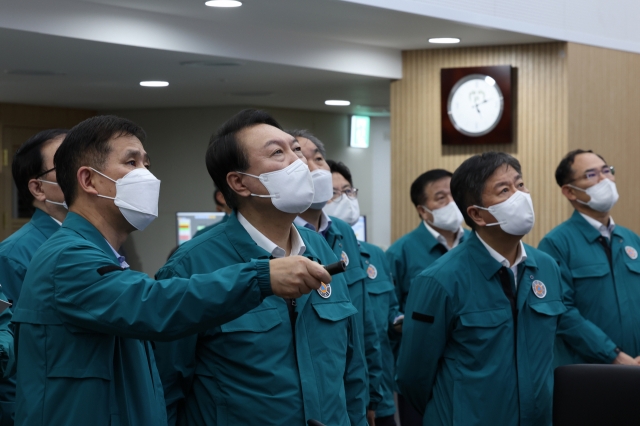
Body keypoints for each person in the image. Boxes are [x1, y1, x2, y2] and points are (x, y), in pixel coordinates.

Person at [11, 115, 330, 426]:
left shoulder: (102, 254)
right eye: (132, 163)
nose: (146, 175)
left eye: (147, 164)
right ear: (89, 180)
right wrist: (262, 277)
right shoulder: (68, 256)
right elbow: (151, 305)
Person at [154, 110, 367, 426]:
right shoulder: (192, 267)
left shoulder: (323, 248)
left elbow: (351, 367)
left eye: (295, 149)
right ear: (239, 182)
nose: (300, 163)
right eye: (278, 153)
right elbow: (166, 390)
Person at [397, 152, 567, 425]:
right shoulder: (438, 280)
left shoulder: (546, 267)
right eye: (504, 190)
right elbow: (413, 376)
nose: (520, 196)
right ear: (477, 214)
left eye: (519, 185)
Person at [291, 129, 383, 425]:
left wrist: (370, 394)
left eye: (319, 159)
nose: (314, 167)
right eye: (302, 158)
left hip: (347, 394)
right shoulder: (282, 234)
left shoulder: (342, 232)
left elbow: (361, 321)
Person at [538, 149, 640, 366]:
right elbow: (561, 312)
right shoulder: (556, 243)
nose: (605, 179)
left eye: (606, 171)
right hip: (588, 373)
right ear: (570, 191)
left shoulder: (631, 239)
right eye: (591, 175)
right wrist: (614, 356)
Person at [385, 169, 468, 425]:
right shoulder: (401, 252)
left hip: (471, 366)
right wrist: (405, 321)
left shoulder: (478, 243)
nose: (451, 203)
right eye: (441, 198)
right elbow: (389, 309)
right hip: (423, 370)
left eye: (454, 195)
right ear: (423, 210)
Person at [0, 129, 68, 425]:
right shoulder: (15, 254)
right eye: (67, 163)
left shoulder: (98, 244)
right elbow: (12, 355)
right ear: (38, 188)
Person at [328, 159, 400, 426]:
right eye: (333, 192)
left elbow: (384, 315)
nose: (344, 198)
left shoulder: (375, 255)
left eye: (348, 191)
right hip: (340, 394)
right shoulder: (315, 253)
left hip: (379, 389)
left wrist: (398, 320)